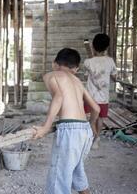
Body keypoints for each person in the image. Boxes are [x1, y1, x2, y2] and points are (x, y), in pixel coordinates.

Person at [33, 48, 100, 194]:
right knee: (77, 170)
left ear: (54, 64)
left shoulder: (52, 75)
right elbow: (96, 108)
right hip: (85, 131)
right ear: (75, 68)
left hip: (71, 130)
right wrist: (93, 125)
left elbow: (59, 97)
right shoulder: (77, 81)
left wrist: (45, 127)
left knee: (59, 179)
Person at [84, 33, 117, 149]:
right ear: (107, 47)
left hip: (90, 96)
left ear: (93, 46)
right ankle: (97, 139)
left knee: (91, 118)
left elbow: (86, 76)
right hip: (103, 95)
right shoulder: (110, 61)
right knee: (100, 118)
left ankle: (95, 137)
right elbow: (114, 77)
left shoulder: (88, 62)